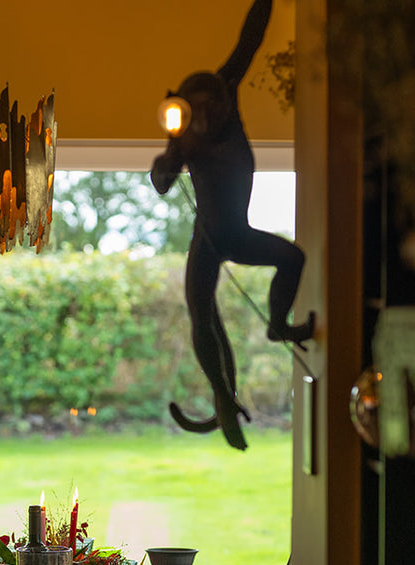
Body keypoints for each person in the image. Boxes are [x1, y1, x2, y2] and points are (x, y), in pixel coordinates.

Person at [151, 0, 313, 450]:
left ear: (221, 100)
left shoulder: (227, 85)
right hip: (207, 237)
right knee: (203, 316)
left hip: (235, 234)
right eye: (195, 113)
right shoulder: (183, 133)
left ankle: (278, 323)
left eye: (209, 110)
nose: (204, 119)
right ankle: (223, 398)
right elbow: (163, 181)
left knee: (292, 259)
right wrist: (164, 165)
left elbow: (251, 39)